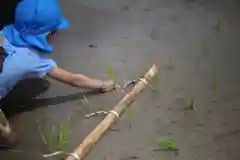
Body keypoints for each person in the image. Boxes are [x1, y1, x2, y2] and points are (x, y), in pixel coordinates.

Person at [0, 0, 116, 148]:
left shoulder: (4, 32)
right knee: (10, 140)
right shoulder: (33, 60)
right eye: (56, 31)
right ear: (48, 34)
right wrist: (103, 85)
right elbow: (74, 80)